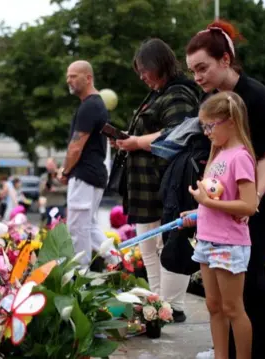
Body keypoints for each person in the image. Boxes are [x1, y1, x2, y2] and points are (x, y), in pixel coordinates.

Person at [186, 20, 265, 359]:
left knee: (252, 280)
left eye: (203, 68)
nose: (198, 77)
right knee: (221, 296)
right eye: (193, 71)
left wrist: (252, 197)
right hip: (221, 204)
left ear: (225, 60)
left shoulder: (256, 95)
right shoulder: (212, 101)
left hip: (252, 199)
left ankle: (263, 352)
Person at [114, 38, 202, 322]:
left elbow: (181, 133)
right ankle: (156, 305)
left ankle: (173, 307)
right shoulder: (156, 94)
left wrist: (137, 142)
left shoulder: (178, 94)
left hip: (165, 182)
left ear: (158, 64)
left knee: (169, 243)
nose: (141, 76)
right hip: (143, 183)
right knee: (147, 246)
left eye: (144, 69)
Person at [182, 91, 256, 359]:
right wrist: (198, 210)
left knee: (233, 308)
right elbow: (220, 199)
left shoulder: (240, 157)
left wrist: (208, 204)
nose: (207, 132)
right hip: (207, 239)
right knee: (214, 306)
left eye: (211, 125)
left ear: (232, 121)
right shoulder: (219, 155)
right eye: (204, 126)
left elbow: (249, 205)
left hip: (228, 243)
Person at [57, 60, 112, 267]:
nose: (68, 80)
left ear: (88, 78)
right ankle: (117, 260)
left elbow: (76, 146)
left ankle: (80, 276)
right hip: (92, 175)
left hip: (84, 175)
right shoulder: (94, 104)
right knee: (88, 226)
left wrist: (65, 171)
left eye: (73, 76)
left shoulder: (90, 106)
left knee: (78, 228)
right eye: (67, 76)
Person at [39, 157, 67, 224]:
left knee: (59, 226)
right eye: (48, 165)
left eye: (50, 164)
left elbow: (67, 188)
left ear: (55, 164)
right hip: (49, 205)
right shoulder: (44, 177)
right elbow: (41, 193)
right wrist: (45, 187)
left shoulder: (61, 175)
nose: (49, 167)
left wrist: (56, 189)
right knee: (49, 227)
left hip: (60, 205)